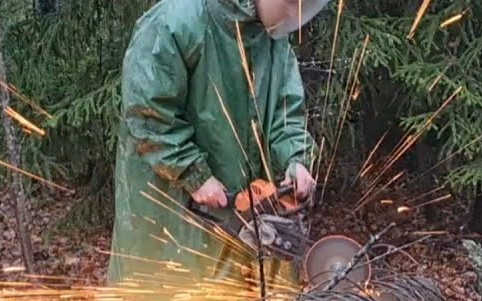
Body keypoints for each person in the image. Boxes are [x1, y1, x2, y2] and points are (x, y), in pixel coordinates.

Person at [108, 0, 329, 286]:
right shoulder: (176, 21)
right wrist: (194, 174)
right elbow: (148, 116)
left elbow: (286, 112)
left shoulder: (271, 33)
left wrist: (296, 159)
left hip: (251, 222)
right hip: (177, 216)